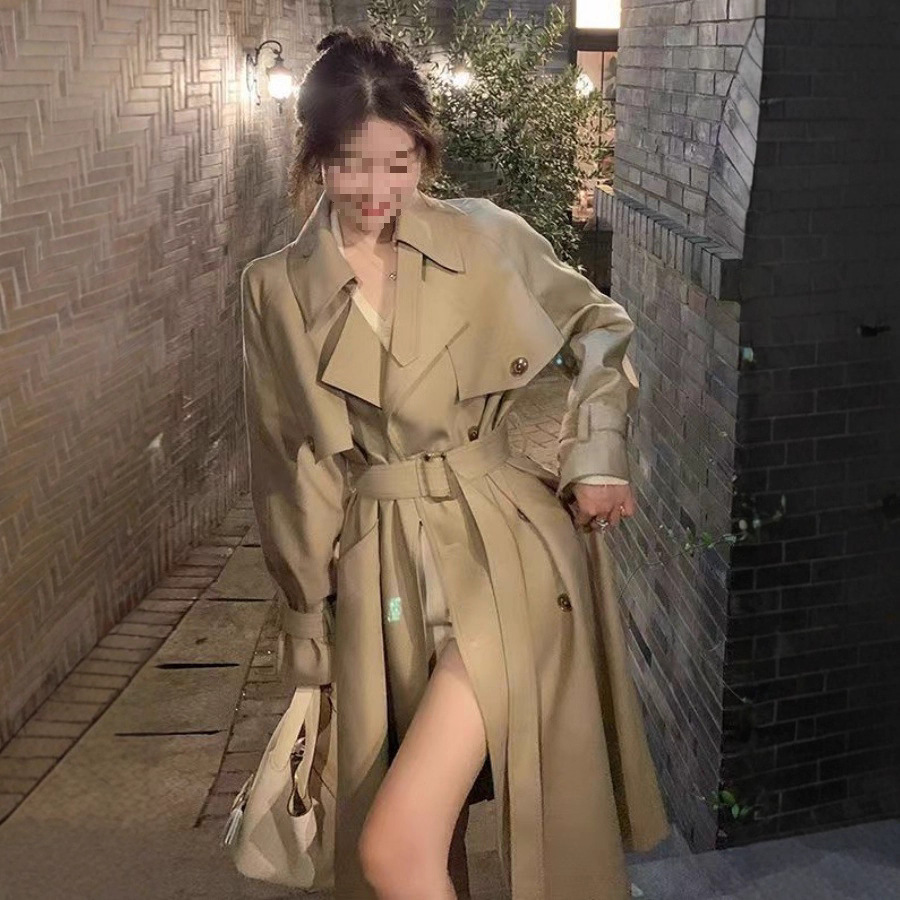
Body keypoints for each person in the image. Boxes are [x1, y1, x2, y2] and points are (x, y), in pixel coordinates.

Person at [241, 25, 669, 900]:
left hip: (503, 549)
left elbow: (600, 325)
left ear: (425, 153)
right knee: (425, 840)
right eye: (351, 165)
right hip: (379, 572)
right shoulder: (274, 288)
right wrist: (307, 622)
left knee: (394, 851)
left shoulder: (483, 236)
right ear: (314, 157)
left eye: (398, 164)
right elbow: (290, 467)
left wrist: (597, 453)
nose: (376, 190)